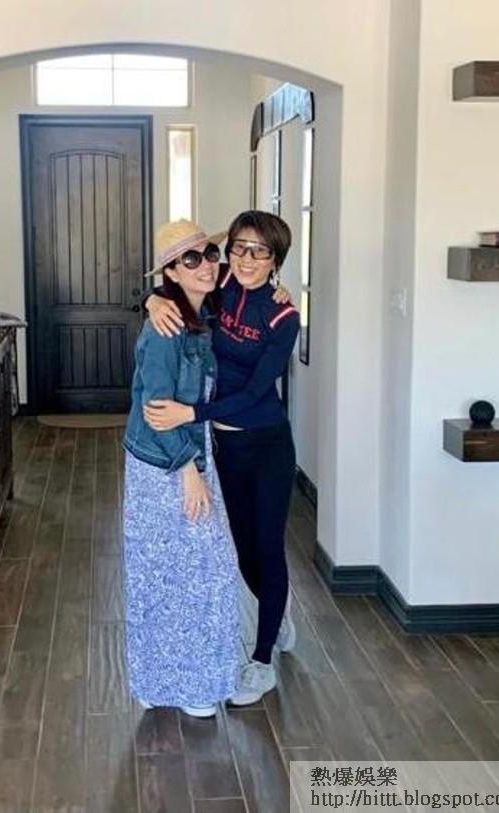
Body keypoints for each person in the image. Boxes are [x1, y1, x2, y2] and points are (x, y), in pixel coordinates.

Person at [143, 210, 300, 706]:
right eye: (239, 247)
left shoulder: (283, 317)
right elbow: (173, 284)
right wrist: (150, 300)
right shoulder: (220, 284)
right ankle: (276, 616)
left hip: (267, 444)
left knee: (267, 548)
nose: (246, 259)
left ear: (275, 260)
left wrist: (193, 412)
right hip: (223, 448)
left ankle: (261, 661)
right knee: (242, 550)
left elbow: (255, 392)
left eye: (260, 251)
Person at [122, 219, 239, 718]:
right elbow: (156, 407)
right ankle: (162, 682)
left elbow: (255, 283)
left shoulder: (201, 308)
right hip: (164, 464)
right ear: (171, 271)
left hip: (192, 452)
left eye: (209, 253)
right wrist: (189, 471)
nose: (205, 265)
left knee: (194, 571)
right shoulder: (165, 326)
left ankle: (188, 681)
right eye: (190, 259)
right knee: (168, 573)